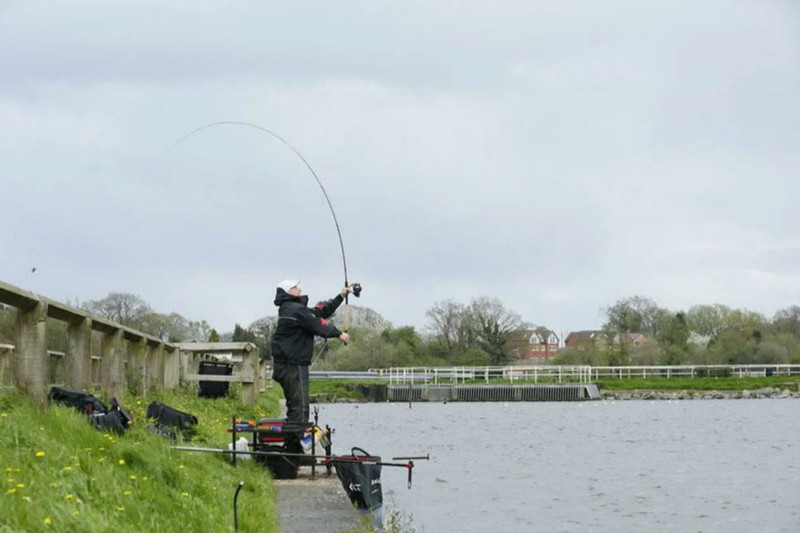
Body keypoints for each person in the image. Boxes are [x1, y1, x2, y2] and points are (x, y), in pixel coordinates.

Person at [271, 279, 351, 429]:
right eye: (295, 287)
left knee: (296, 409)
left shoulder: (292, 309)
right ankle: (294, 449)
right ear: (288, 292)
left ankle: (293, 445)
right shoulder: (295, 310)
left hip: (287, 365)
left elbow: (320, 312)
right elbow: (317, 324)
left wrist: (340, 296)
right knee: (300, 411)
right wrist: (339, 334)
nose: (300, 289)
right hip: (293, 367)